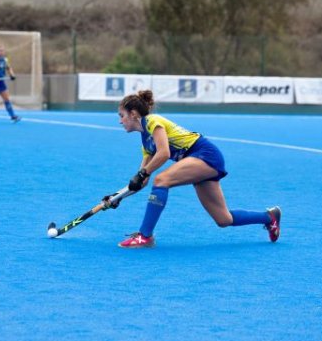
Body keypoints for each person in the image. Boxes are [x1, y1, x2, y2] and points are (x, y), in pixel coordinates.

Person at [104, 90, 281, 248]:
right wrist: (118, 196)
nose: (120, 121)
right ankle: (269, 217)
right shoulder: (145, 141)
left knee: (161, 180)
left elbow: (164, 153)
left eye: (122, 115)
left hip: (205, 155)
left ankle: (145, 236)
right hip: (196, 163)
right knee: (223, 219)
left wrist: (143, 172)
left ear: (133, 114)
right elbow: (140, 181)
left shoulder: (152, 122)